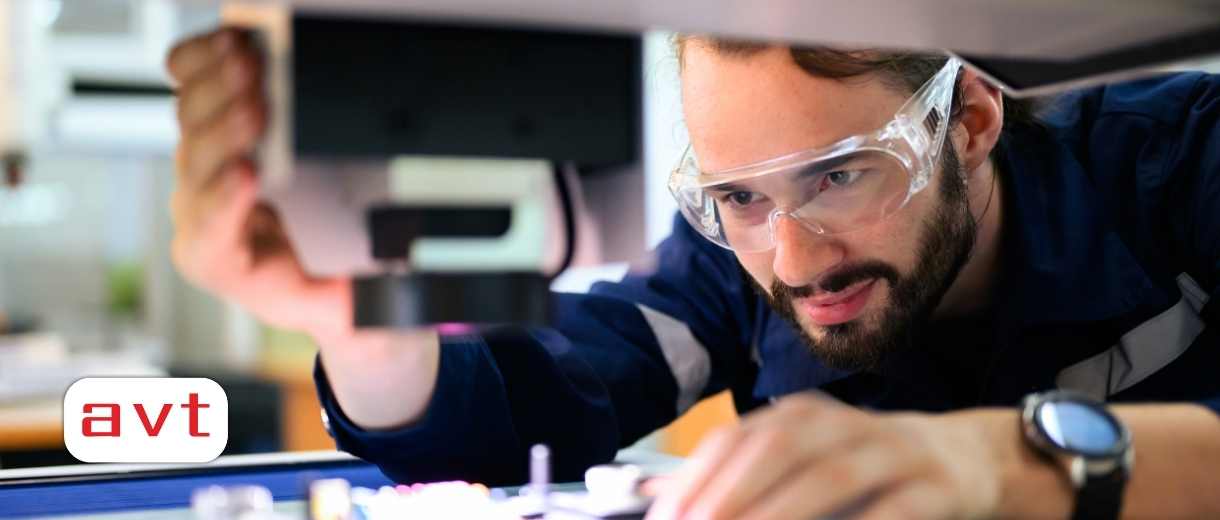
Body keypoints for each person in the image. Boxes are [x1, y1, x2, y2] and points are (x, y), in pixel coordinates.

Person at [166, 27, 1220, 519]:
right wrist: (360, 319)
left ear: (973, 122)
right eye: (740, 197)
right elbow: (531, 405)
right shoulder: (729, 266)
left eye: (841, 175)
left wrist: (1003, 466)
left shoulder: (1179, 164)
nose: (792, 262)